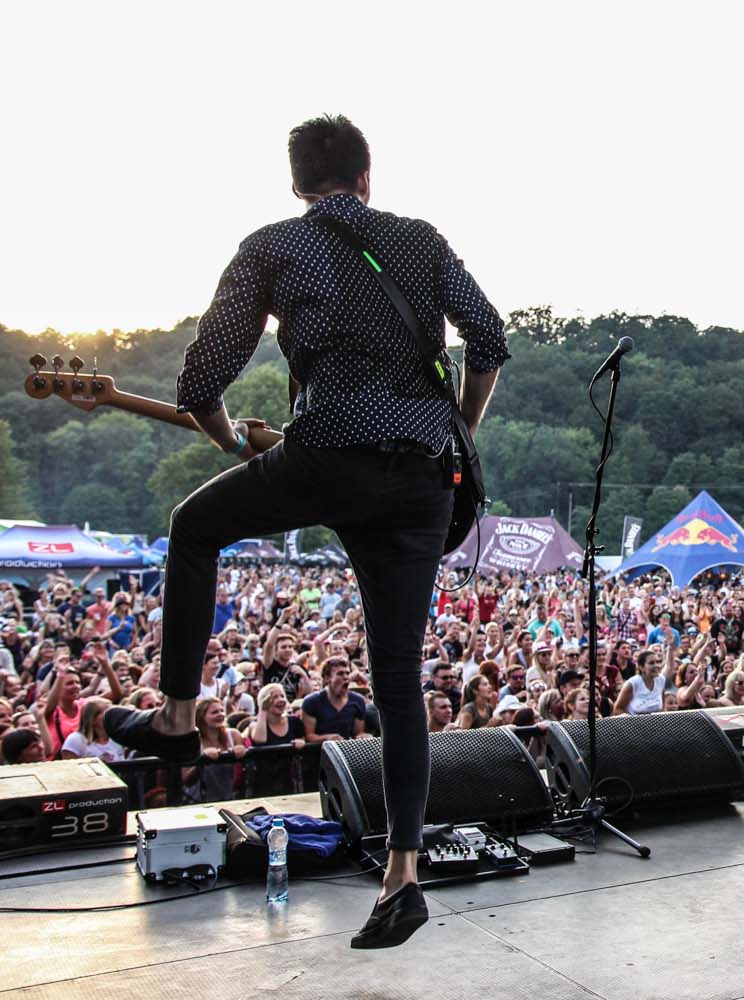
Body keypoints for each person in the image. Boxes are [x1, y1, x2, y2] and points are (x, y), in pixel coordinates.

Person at [101, 114, 507, 947]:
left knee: (192, 527)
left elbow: (202, 380)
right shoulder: (420, 238)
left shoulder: (272, 246)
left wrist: (230, 443)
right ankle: (402, 878)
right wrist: (457, 428)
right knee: (399, 680)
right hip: (424, 474)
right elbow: (489, 339)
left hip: (327, 452)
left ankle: (176, 717)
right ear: (367, 177)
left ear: (295, 185)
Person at [302, 658, 368, 743]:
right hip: (320, 749)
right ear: (327, 678)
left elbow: (358, 733)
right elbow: (309, 736)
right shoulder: (312, 702)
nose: (346, 677)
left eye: (347, 673)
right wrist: (326, 738)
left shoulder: (358, 701)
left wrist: (363, 737)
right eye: (340, 674)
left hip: (346, 748)